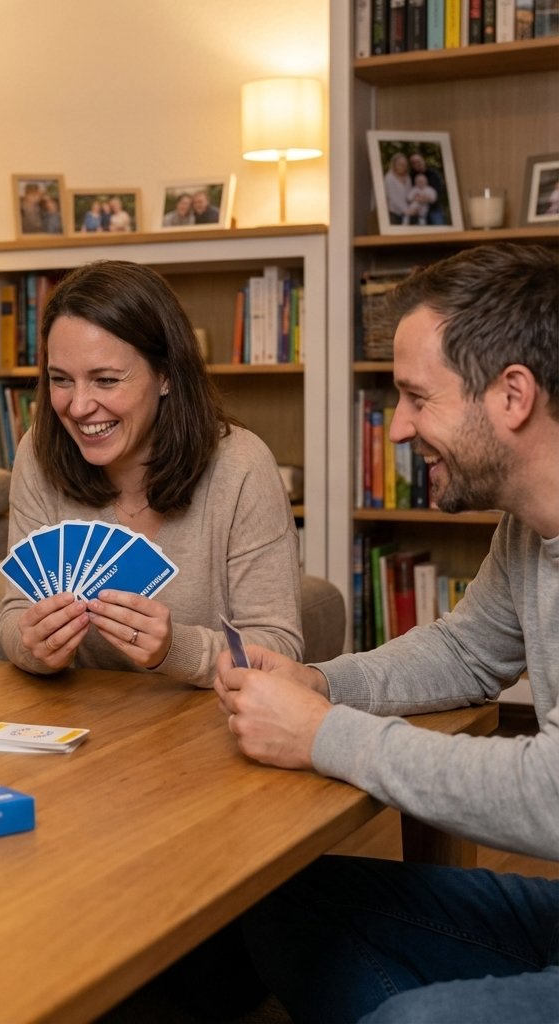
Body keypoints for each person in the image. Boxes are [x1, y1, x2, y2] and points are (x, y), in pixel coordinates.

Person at [214, 243, 559, 1024]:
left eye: (415, 397)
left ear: (512, 395)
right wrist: (324, 684)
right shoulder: (529, 525)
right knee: (284, 904)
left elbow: (551, 794)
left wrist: (325, 734)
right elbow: (468, 650)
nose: (398, 427)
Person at [0, 260, 303, 687]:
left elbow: (279, 648)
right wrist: (34, 647)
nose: (79, 405)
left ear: (165, 376)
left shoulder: (241, 466)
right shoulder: (39, 451)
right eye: (61, 380)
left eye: (105, 380)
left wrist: (173, 648)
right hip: (82, 721)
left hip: (206, 724)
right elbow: (16, 616)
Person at [408, 151, 446, 225]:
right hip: (417, 211)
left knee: (441, 230)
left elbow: (439, 192)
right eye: (414, 163)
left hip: (434, 209)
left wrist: (426, 198)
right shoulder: (411, 177)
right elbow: (410, 195)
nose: (417, 164)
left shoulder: (433, 174)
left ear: (423, 160)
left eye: (418, 161)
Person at [383, 151, 412, 224]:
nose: (403, 167)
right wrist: (406, 210)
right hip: (393, 212)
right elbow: (392, 197)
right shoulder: (389, 178)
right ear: (394, 165)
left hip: (407, 213)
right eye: (400, 164)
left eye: (404, 165)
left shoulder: (408, 178)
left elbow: (409, 195)